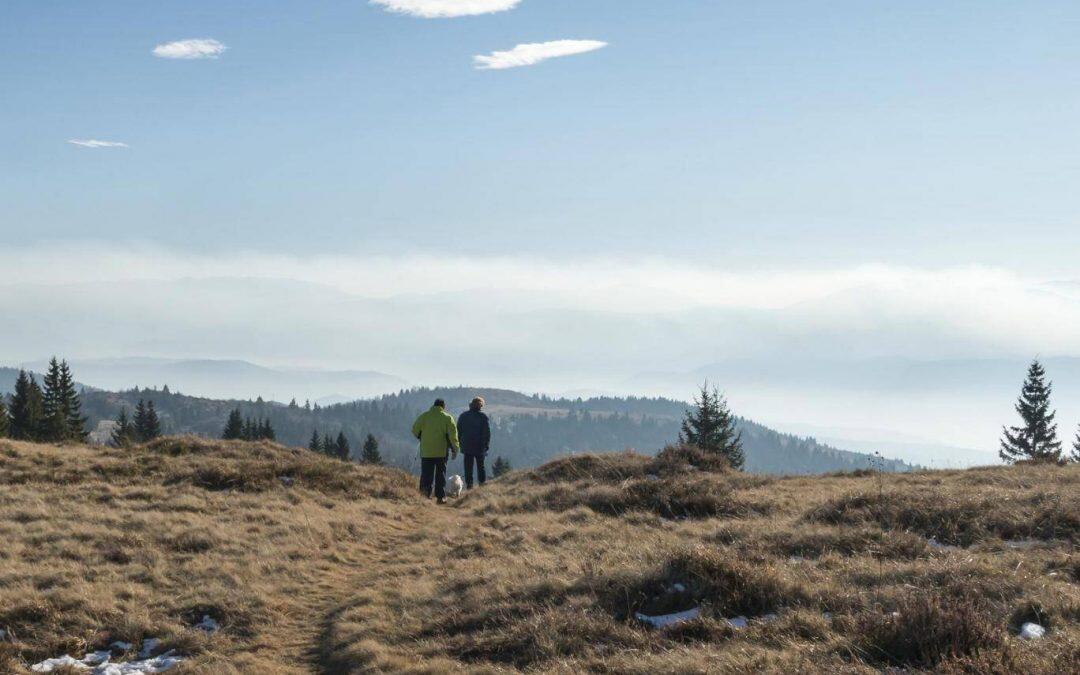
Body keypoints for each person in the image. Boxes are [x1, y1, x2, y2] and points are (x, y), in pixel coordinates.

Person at [411, 398, 460, 504]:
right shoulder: (447, 418)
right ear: (443, 407)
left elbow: (414, 429)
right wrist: (455, 449)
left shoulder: (424, 416)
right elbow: (453, 436)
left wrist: (421, 437)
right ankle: (440, 497)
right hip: (441, 451)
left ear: (434, 405)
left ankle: (424, 495)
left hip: (426, 451)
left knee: (426, 474)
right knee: (440, 474)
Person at [457, 396, 491, 489]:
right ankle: (482, 484)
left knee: (468, 467)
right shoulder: (483, 417)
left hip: (467, 445)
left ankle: (469, 485)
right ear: (480, 405)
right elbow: (487, 433)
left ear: (471, 404)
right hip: (480, 446)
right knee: (481, 466)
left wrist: (459, 443)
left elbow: (458, 430)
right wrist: (486, 445)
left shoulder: (463, 416)